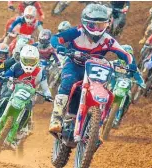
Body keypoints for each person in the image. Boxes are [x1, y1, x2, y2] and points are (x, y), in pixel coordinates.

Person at [48, 4, 139, 133]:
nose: (97, 29)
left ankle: (98, 124)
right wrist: (59, 47)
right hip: (74, 64)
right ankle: (56, 118)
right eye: (93, 25)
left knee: (104, 90)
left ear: (107, 24)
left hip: (95, 69)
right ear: (85, 23)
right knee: (68, 83)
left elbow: (124, 54)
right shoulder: (77, 32)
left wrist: (131, 65)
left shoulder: (108, 40)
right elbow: (56, 38)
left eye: (101, 25)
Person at [0, 45, 52, 138]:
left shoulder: (41, 72)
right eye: (27, 61)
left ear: (37, 60)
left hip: (28, 96)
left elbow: (45, 87)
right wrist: (0, 77)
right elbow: (6, 74)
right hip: (13, 90)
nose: (29, 64)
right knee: (4, 99)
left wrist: (48, 95)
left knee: (28, 110)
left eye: (32, 61)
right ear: (22, 59)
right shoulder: (16, 66)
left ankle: (20, 133)